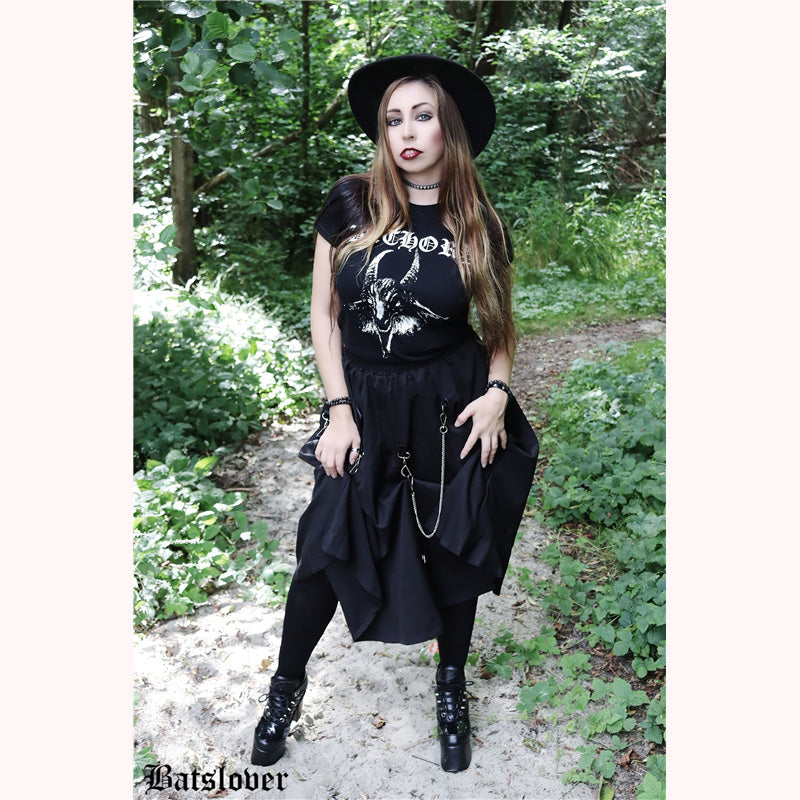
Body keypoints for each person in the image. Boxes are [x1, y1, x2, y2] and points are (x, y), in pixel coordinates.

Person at [250, 54, 539, 774]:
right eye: (393, 119)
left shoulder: (478, 222)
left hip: (449, 402)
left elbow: (498, 328)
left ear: (449, 127)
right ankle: (285, 688)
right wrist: (338, 410)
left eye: (422, 116)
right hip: (364, 403)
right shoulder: (352, 203)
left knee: (456, 548)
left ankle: (450, 686)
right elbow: (325, 317)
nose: (407, 132)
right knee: (325, 545)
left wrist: (497, 393)